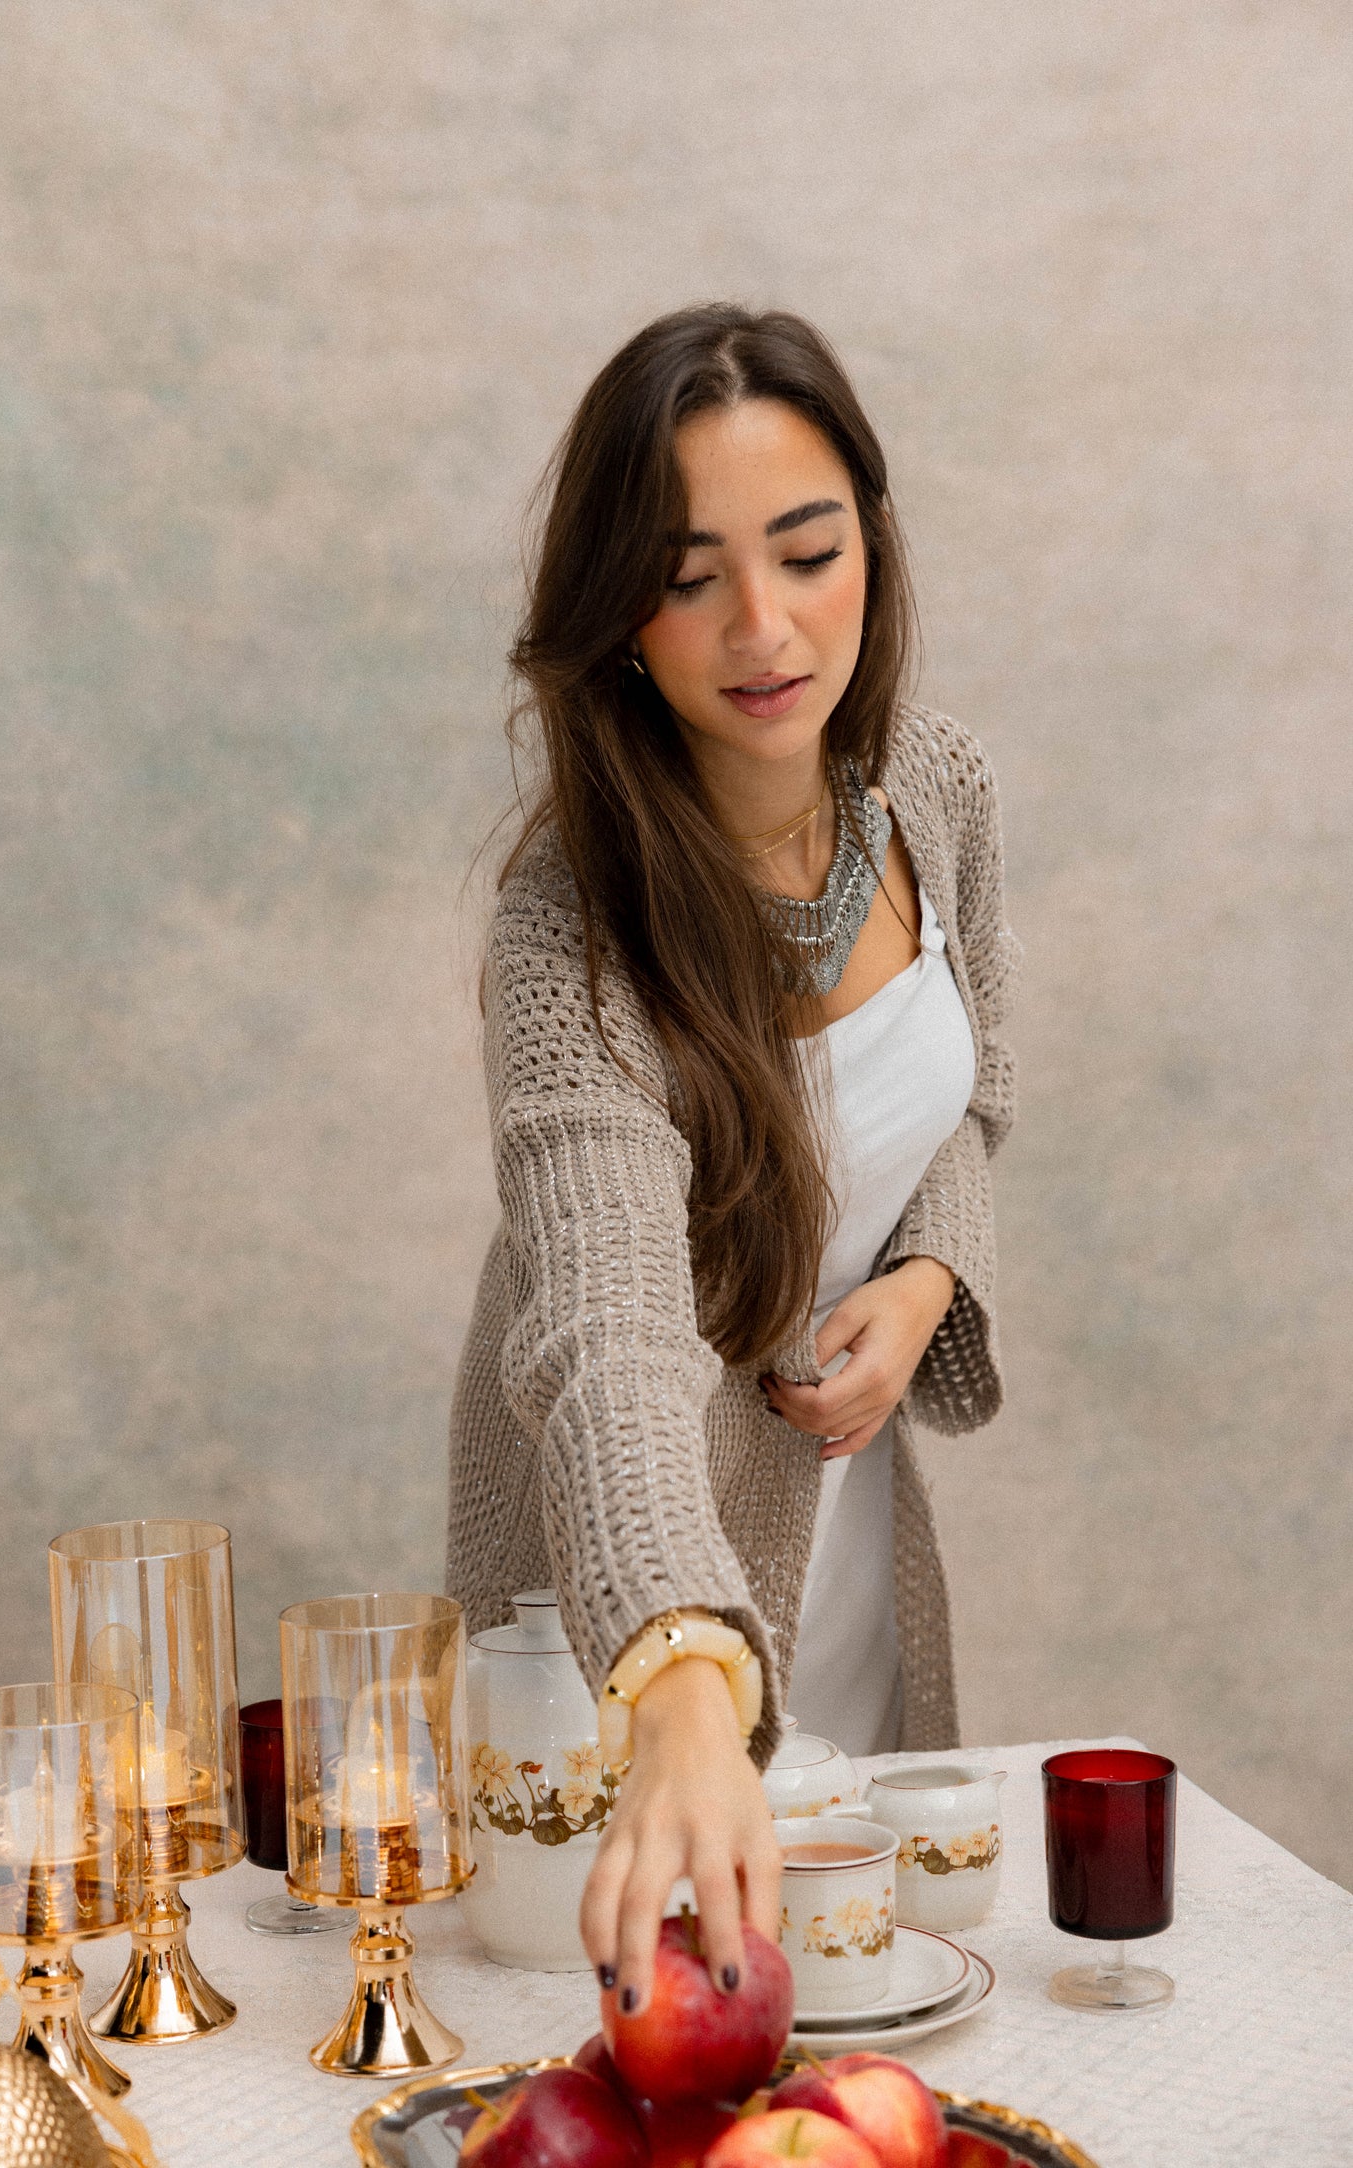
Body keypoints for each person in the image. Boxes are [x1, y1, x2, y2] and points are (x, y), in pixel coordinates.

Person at [446, 304, 1016, 2017]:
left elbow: (971, 1104)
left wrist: (925, 1281)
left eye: (805, 550)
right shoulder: (570, 933)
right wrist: (679, 1685)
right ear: (615, 611)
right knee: (626, 2036)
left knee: (846, 2029)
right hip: (614, 1595)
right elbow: (608, 1324)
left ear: (872, 548)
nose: (761, 628)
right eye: (687, 574)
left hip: (842, 1527)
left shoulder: (941, 792)